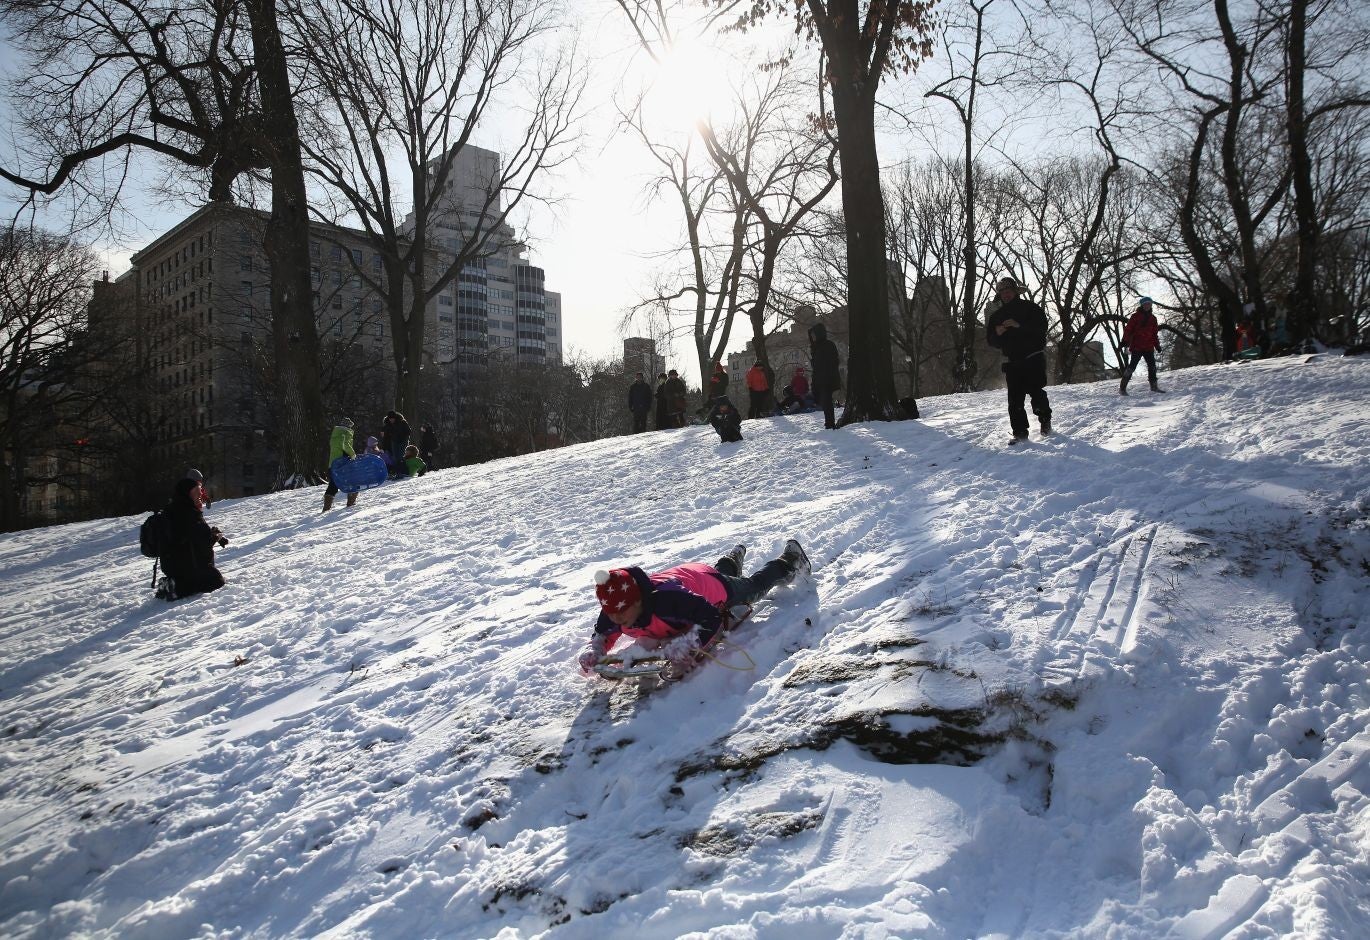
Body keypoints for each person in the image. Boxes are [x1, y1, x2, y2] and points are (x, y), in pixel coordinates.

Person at [577, 539, 812, 681]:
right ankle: (730, 561)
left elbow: (710, 617)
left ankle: (788, 561)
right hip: (691, 574)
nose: (616, 619)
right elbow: (602, 634)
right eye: (611, 614)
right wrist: (595, 650)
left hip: (710, 586)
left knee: (753, 589)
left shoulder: (669, 601)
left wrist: (690, 643)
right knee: (716, 573)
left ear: (639, 601)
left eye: (622, 613)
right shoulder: (614, 606)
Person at [986, 276, 1052, 445]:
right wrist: (998, 333)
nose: (1006, 295)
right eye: (1002, 292)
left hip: (1033, 357)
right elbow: (991, 341)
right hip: (1013, 361)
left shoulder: (1031, 308)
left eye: (1008, 291)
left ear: (1015, 292)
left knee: (1036, 392)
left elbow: (1041, 329)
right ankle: (1020, 432)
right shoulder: (996, 316)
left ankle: (1045, 420)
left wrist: (1019, 326)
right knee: (1014, 399)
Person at [158, 476, 227, 600]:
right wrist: (215, 537)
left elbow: (190, 536)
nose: (200, 494)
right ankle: (176, 587)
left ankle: (172, 581)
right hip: (187, 565)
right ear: (187, 494)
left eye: (199, 491)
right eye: (196, 492)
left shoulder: (171, 509)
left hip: (170, 565)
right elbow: (203, 544)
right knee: (216, 580)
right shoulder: (190, 513)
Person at [1120, 297, 1164, 395]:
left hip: (1148, 346)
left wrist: (1157, 345)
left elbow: (1154, 334)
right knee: (1132, 367)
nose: (1147, 306)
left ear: (1151, 305)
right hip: (1137, 346)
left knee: (1152, 366)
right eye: (1145, 304)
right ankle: (1122, 388)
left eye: (1149, 304)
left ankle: (1154, 386)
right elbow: (1128, 329)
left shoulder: (1153, 319)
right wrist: (1124, 341)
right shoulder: (1135, 316)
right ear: (1142, 305)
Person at [808, 323, 841, 429]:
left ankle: (830, 423)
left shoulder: (827, 345)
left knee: (827, 401)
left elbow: (832, 362)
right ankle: (829, 422)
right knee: (825, 401)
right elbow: (815, 365)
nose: (813, 337)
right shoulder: (817, 347)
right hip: (821, 378)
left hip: (827, 378)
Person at [322, 417, 359, 512]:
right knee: (353, 481)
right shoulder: (346, 433)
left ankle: (326, 507)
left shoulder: (335, 434)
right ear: (348, 426)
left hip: (333, 464)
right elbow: (345, 444)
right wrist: (353, 454)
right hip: (343, 464)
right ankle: (351, 505)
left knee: (333, 485)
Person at [380, 411, 411, 475]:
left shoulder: (402, 422)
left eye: (393, 418)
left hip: (403, 441)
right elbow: (385, 437)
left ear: (395, 418)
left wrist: (402, 436)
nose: (391, 420)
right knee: (395, 457)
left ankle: (404, 472)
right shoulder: (388, 425)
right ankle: (398, 472)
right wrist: (383, 447)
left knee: (400, 456)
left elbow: (408, 431)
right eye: (390, 419)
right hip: (394, 442)